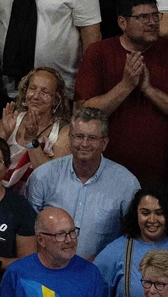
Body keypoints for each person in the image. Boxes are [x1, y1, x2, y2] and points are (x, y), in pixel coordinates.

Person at [75, 0, 168, 184]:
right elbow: (85, 113)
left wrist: (149, 89)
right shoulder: (99, 52)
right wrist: (125, 86)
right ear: (122, 22)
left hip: (162, 172)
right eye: (142, 17)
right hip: (106, 172)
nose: (152, 22)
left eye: (155, 15)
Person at [25, 105, 138, 261]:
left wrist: (103, 259)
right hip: (48, 268)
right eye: (79, 136)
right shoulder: (43, 176)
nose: (84, 144)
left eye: (92, 138)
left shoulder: (126, 184)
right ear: (70, 139)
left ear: (104, 143)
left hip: (100, 271)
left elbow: (132, 237)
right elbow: (28, 230)